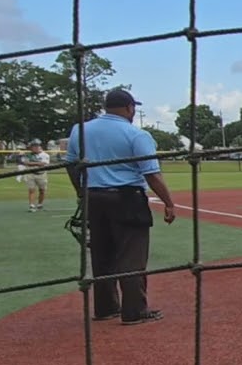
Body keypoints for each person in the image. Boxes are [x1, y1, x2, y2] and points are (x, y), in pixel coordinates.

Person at [64, 88, 176, 326]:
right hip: (127, 198)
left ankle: (105, 308)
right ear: (129, 108)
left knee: (101, 253)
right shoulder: (136, 134)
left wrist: (81, 193)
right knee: (131, 255)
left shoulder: (79, 130)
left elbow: (71, 165)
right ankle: (134, 310)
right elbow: (152, 175)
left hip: (94, 198)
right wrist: (168, 202)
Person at [20, 139, 51, 212]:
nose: (33, 148)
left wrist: (32, 163)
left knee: (42, 190)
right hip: (31, 174)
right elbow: (26, 163)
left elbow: (43, 164)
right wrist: (37, 163)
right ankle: (32, 205)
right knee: (31, 190)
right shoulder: (28, 155)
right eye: (32, 146)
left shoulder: (45, 155)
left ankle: (40, 204)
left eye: (35, 146)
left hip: (41, 174)